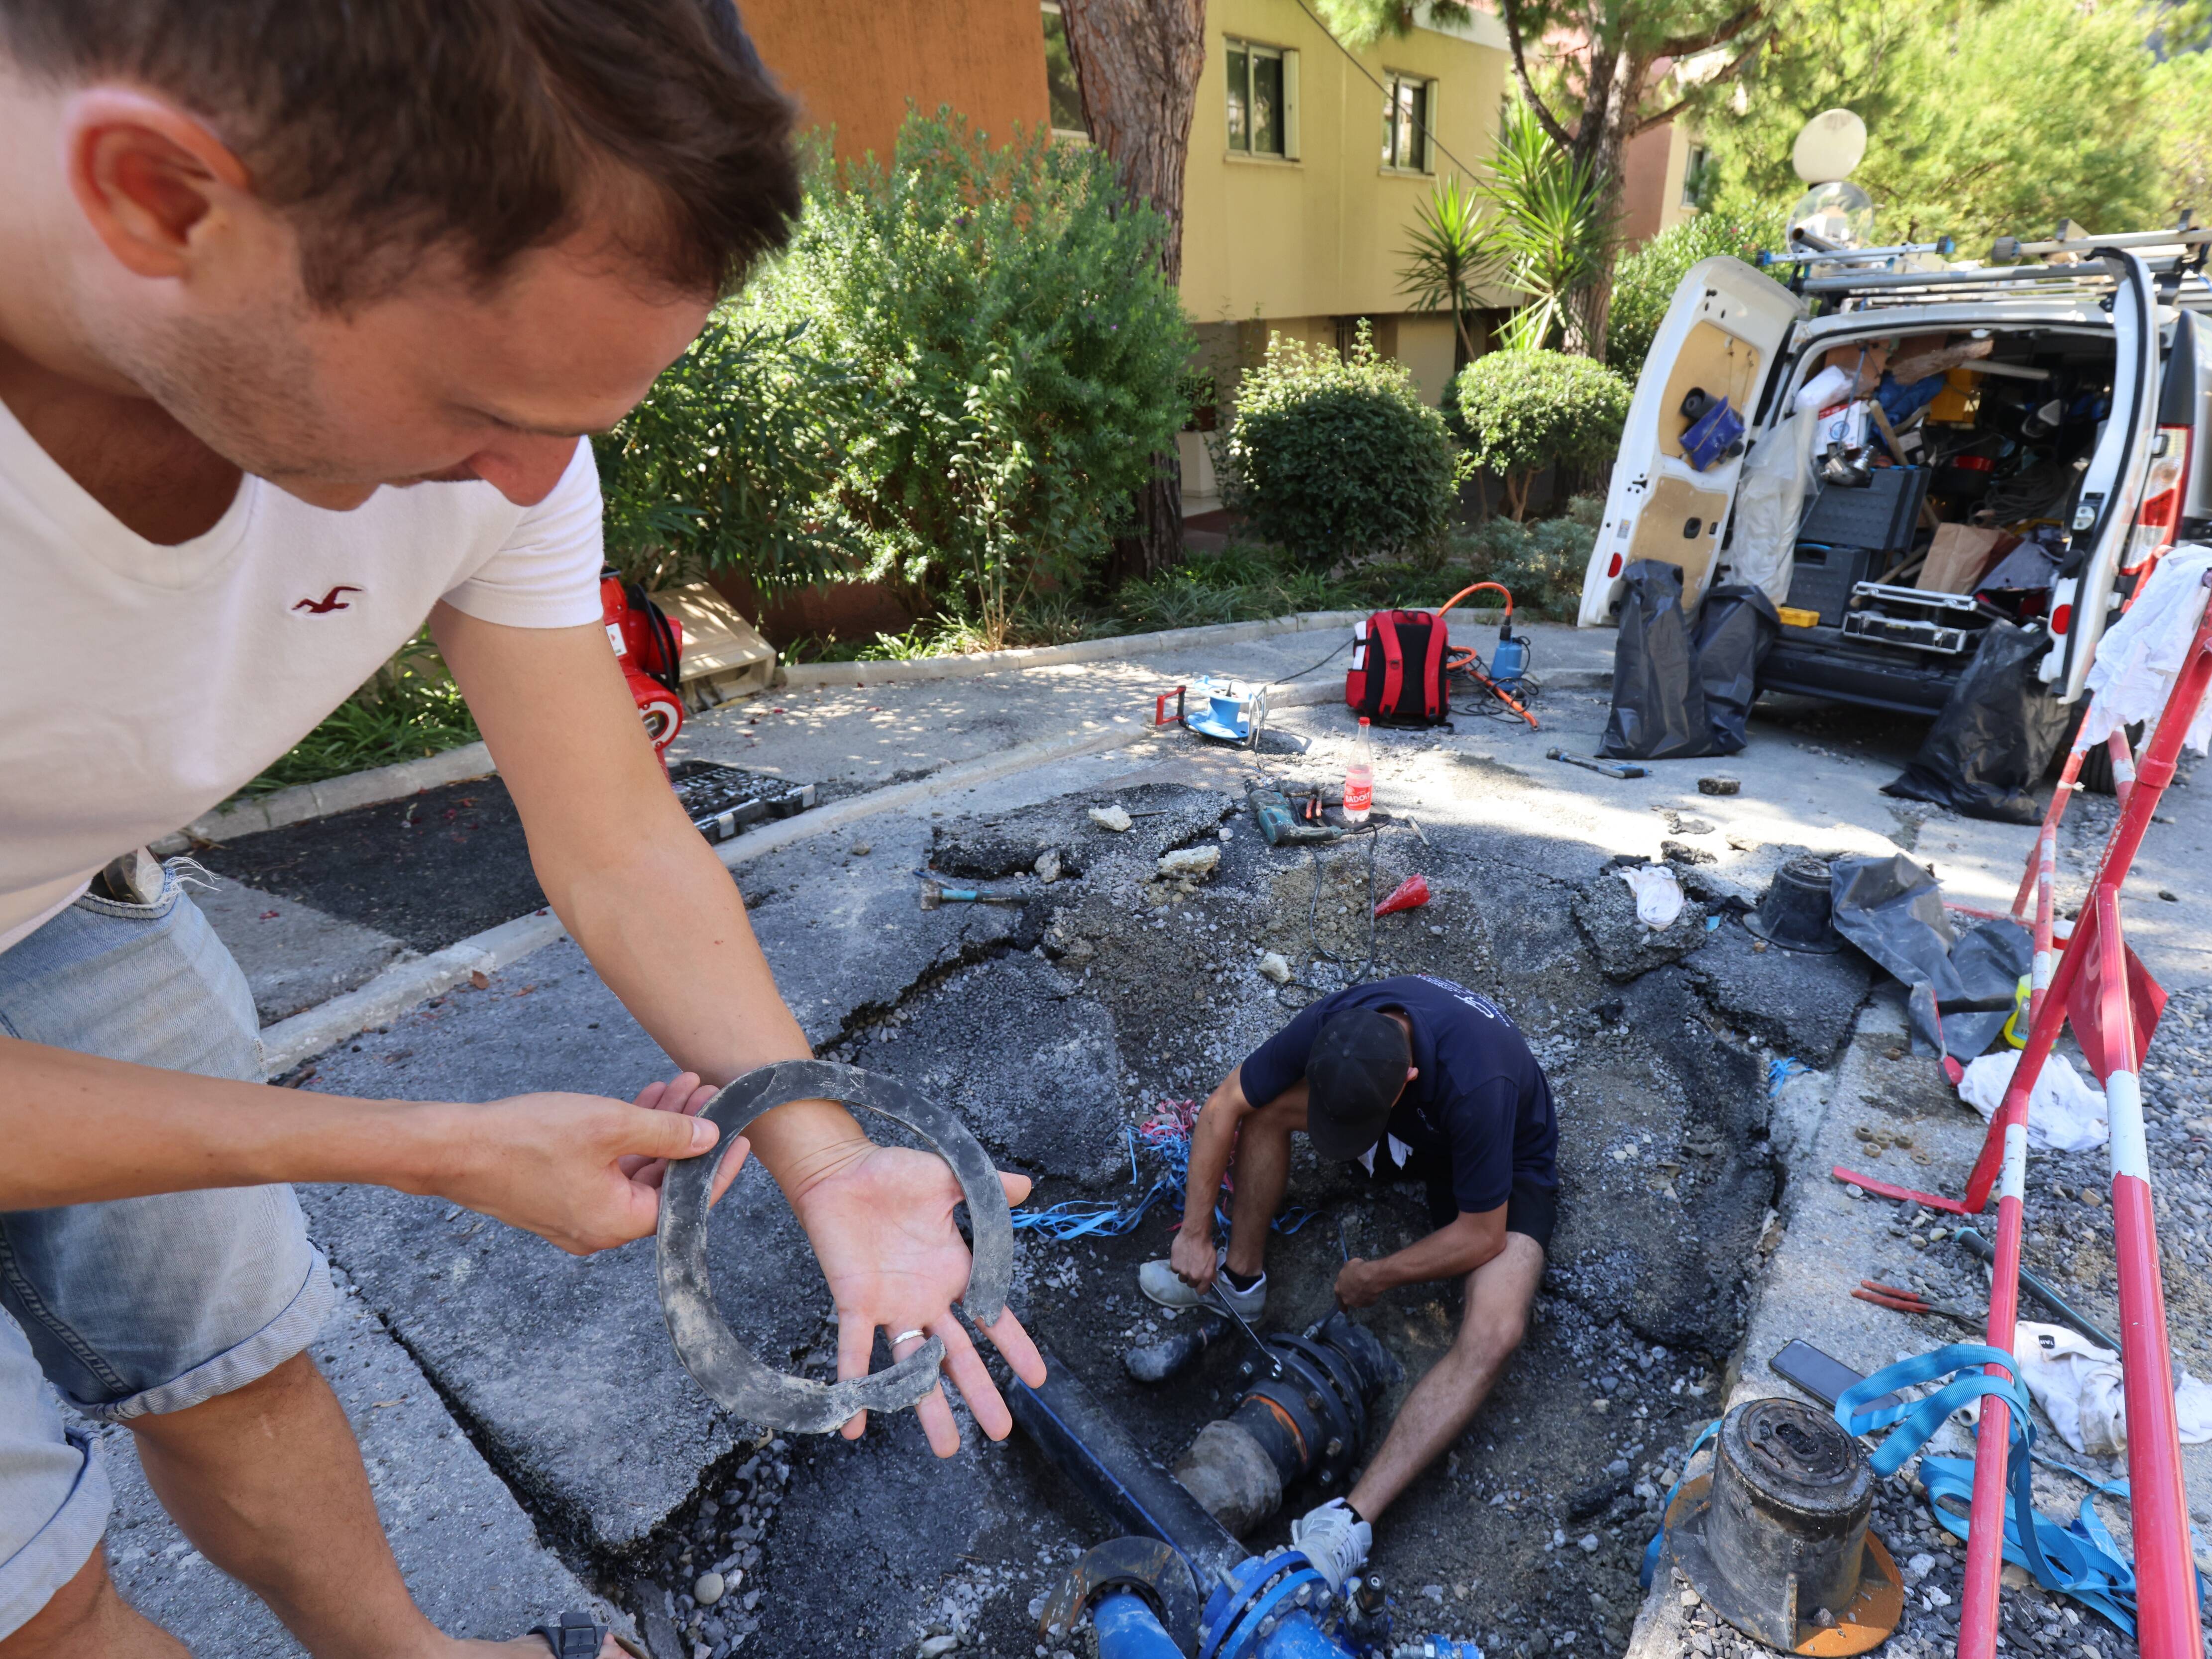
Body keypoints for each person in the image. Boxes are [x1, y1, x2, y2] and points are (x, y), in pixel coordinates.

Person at [0, 5, 1042, 1656]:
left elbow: (615, 836)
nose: (531, 479)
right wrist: (430, 1151)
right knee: (33, 1598)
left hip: (61, 908)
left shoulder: (501, 451)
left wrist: (816, 1147)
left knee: (232, 1365)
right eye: (486, 403)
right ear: (157, 198)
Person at [1137, 974, 1559, 1588]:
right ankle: (1240, 1280)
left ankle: (1348, 1523)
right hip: (1418, 1121)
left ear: (1406, 1083)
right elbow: (1224, 1103)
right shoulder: (1338, 1021)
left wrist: (1376, 1275)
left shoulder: (1480, 1085)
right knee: (1259, 1113)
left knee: (1495, 1333)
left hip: (1502, 1158)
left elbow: (1482, 1235)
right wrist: (1195, 1232)